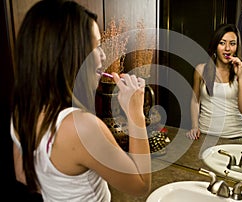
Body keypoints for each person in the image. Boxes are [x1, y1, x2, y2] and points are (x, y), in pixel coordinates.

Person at [11, 0, 151, 201]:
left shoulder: (22, 112)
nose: (103, 55)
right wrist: (135, 112)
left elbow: (22, 174)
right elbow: (140, 185)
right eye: (96, 46)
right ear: (69, 54)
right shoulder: (83, 127)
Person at [186, 24, 242, 143]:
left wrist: (240, 76)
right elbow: (195, 100)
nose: (227, 48)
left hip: (236, 136)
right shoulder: (201, 70)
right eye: (222, 43)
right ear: (215, 45)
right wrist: (195, 126)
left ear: (237, 47)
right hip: (205, 135)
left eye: (232, 43)